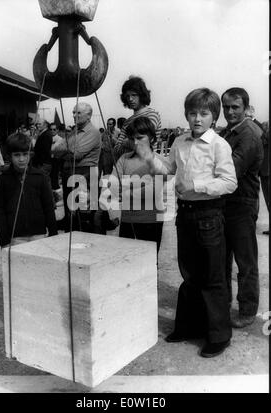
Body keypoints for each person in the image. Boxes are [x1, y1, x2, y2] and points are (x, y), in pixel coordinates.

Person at [138, 88, 237, 357]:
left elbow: (229, 182)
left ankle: (219, 335)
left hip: (210, 215)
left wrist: (198, 185)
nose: (197, 118)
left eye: (204, 113)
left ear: (214, 117)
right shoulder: (179, 142)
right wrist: (149, 158)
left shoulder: (219, 145)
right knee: (189, 273)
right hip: (186, 214)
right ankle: (188, 326)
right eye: (192, 113)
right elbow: (169, 169)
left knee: (213, 276)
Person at [220, 88, 264, 328]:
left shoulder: (247, 134)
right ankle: (223, 304)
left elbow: (231, 171)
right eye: (226, 107)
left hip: (242, 204)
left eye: (235, 107)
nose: (229, 111)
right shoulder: (228, 132)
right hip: (226, 203)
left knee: (245, 261)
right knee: (223, 258)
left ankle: (247, 311)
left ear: (246, 108)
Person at [101, 116, 166, 254]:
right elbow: (112, 183)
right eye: (132, 138)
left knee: (149, 264)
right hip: (128, 220)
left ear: (152, 138)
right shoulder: (124, 158)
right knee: (126, 263)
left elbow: (153, 190)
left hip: (151, 221)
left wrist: (126, 191)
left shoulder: (159, 161)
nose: (136, 142)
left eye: (140, 137)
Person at [0, 133, 57, 248]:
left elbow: (48, 206)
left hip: (39, 235)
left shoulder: (40, 177)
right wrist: (4, 240)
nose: (21, 159)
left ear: (30, 155)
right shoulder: (3, 180)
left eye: (25, 154)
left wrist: (53, 233)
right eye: (17, 155)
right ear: (9, 156)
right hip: (15, 237)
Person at [53, 102, 101, 232]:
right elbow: (55, 150)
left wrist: (64, 151)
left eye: (78, 113)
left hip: (85, 174)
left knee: (85, 212)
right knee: (71, 211)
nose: (74, 115)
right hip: (70, 173)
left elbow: (77, 154)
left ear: (88, 115)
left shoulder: (93, 132)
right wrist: (66, 151)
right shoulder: (74, 131)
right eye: (74, 112)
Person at [113, 76, 161, 160]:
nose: (130, 99)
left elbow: (144, 144)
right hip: (129, 166)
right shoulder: (127, 122)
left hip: (148, 166)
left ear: (142, 95)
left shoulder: (152, 115)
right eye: (127, 96)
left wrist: (126, 142)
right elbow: (116, 150)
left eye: (134, 95)